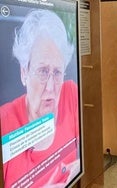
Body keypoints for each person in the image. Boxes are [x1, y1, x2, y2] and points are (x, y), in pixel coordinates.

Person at [0, 9, 80, 187]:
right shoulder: (4, 121)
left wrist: (79, 168)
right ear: (24, 73)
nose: (51, 87)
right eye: (43, 71)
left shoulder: (70, 94)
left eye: (57, 72)